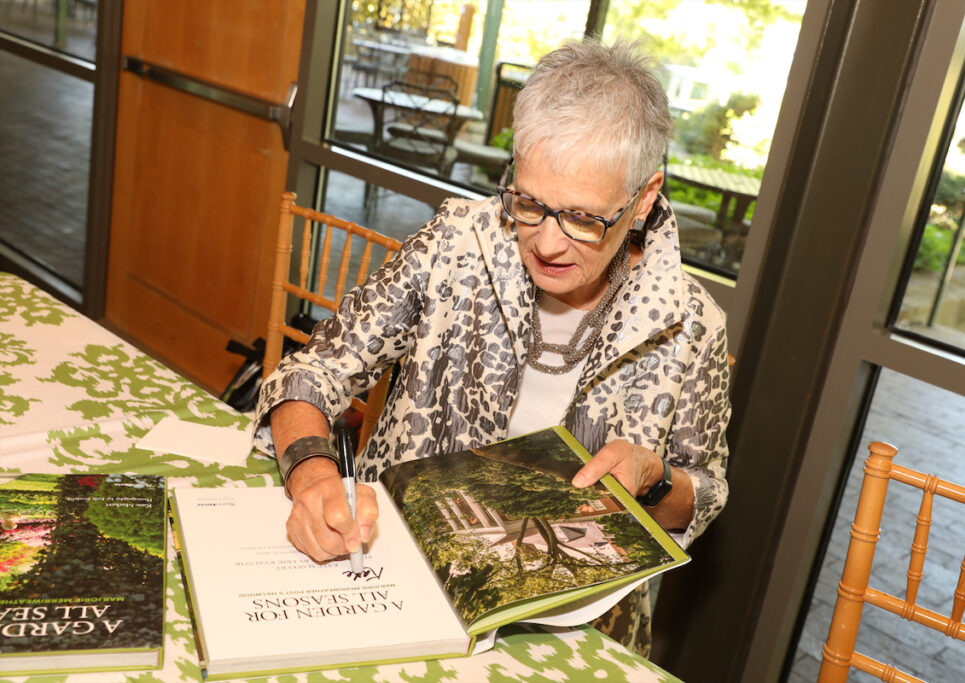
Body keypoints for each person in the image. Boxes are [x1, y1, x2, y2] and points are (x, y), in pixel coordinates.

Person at [254, 38, 730, 656]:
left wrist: (656, 478)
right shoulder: (456, 243)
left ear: (642, 199)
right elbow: (311, 372)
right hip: (393, 573)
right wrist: (313, 474)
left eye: (584, 218)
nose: (549, 244)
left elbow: (706, 492)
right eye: (530, 201)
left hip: (570, 631)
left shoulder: (691, 323)